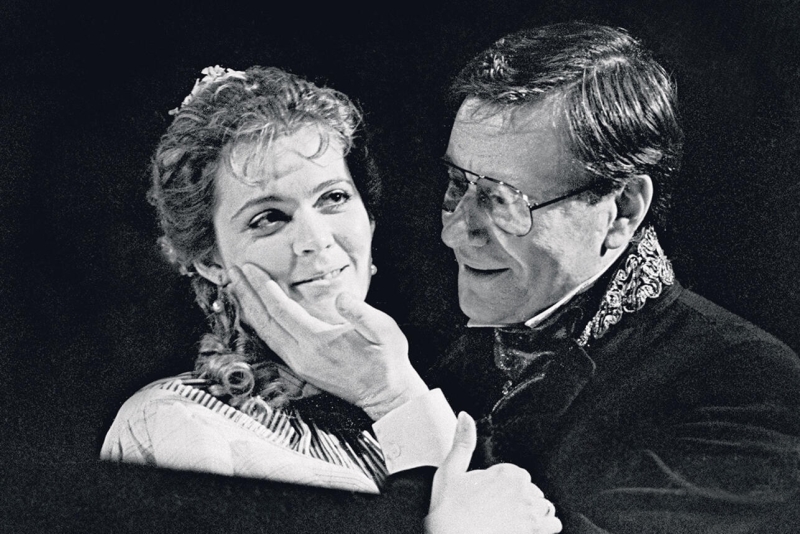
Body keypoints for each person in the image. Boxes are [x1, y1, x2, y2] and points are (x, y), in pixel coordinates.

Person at [231, 23, 800, 533]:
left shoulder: (752, 393)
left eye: (503, 201)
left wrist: (396, 399)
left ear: (622, 210)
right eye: (458, 185)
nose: (456, 233)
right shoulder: (453, 351)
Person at [100, 65, 562, 534]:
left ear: (369, 220)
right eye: (269, 218)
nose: (316, 239)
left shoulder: (430, 393)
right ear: (210, 260)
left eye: (334, 198)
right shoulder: (173, 422)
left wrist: (393, 394)